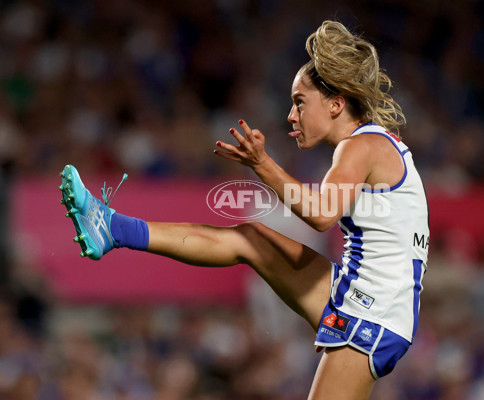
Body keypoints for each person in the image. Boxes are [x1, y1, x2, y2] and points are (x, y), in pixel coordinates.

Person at [59, 20, 429, 399]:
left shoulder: (360, 146)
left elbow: (321, 215)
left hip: (373, 315)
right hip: (360, 294)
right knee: (248, 239)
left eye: (300, 102)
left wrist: (262, 164)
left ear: (336, 104)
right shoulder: (374, 146)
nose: (291, 114)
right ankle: (113, 227)